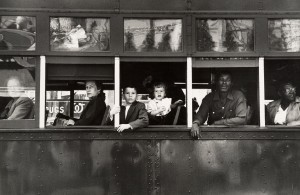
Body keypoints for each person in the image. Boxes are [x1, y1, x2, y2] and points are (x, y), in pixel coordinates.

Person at [191, 71, 247, 138]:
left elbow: (241, 119)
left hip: (234, 136)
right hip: (213, 136)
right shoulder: (209, 97)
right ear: (217, 82)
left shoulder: (238, 96)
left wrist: (217, 123)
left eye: (228, 80)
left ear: (231, 83)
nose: (224, 83)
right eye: (221, 79)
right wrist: (195, 123)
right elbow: (201, 115)